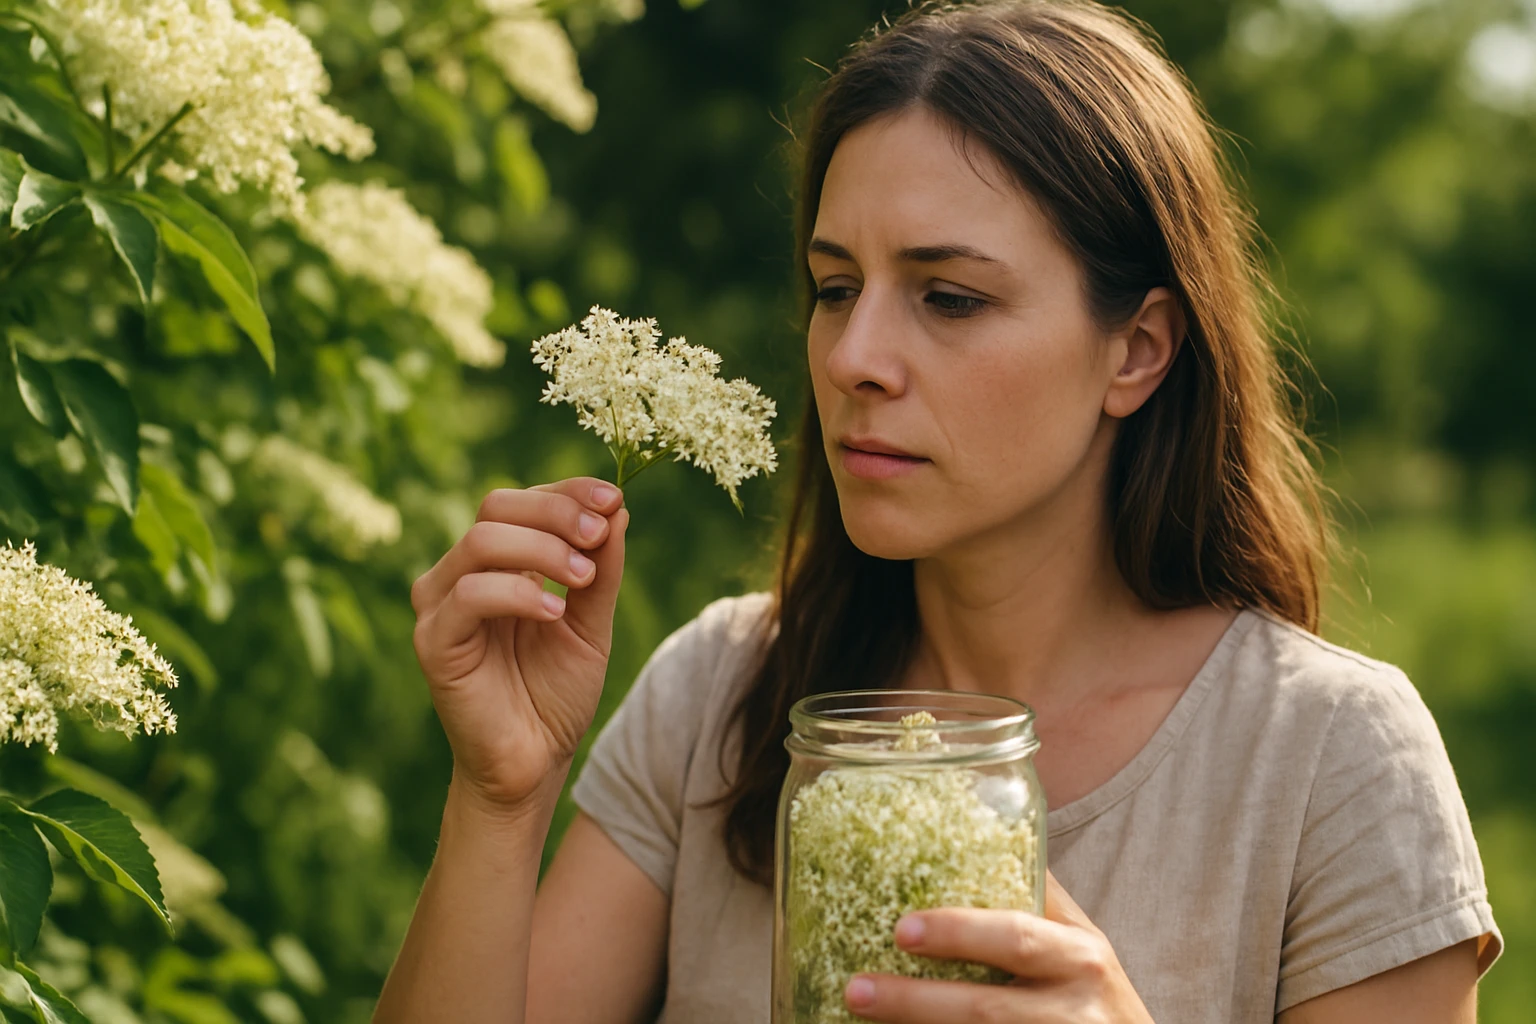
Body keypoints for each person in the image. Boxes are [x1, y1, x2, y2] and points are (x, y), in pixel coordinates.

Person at [373, 2, 1502, 1021]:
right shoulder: (721, 694)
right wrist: (501, 797)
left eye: (950, 298)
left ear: (1137, 351)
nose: (853, 357)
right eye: (835, 288)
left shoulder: (1329, 762)